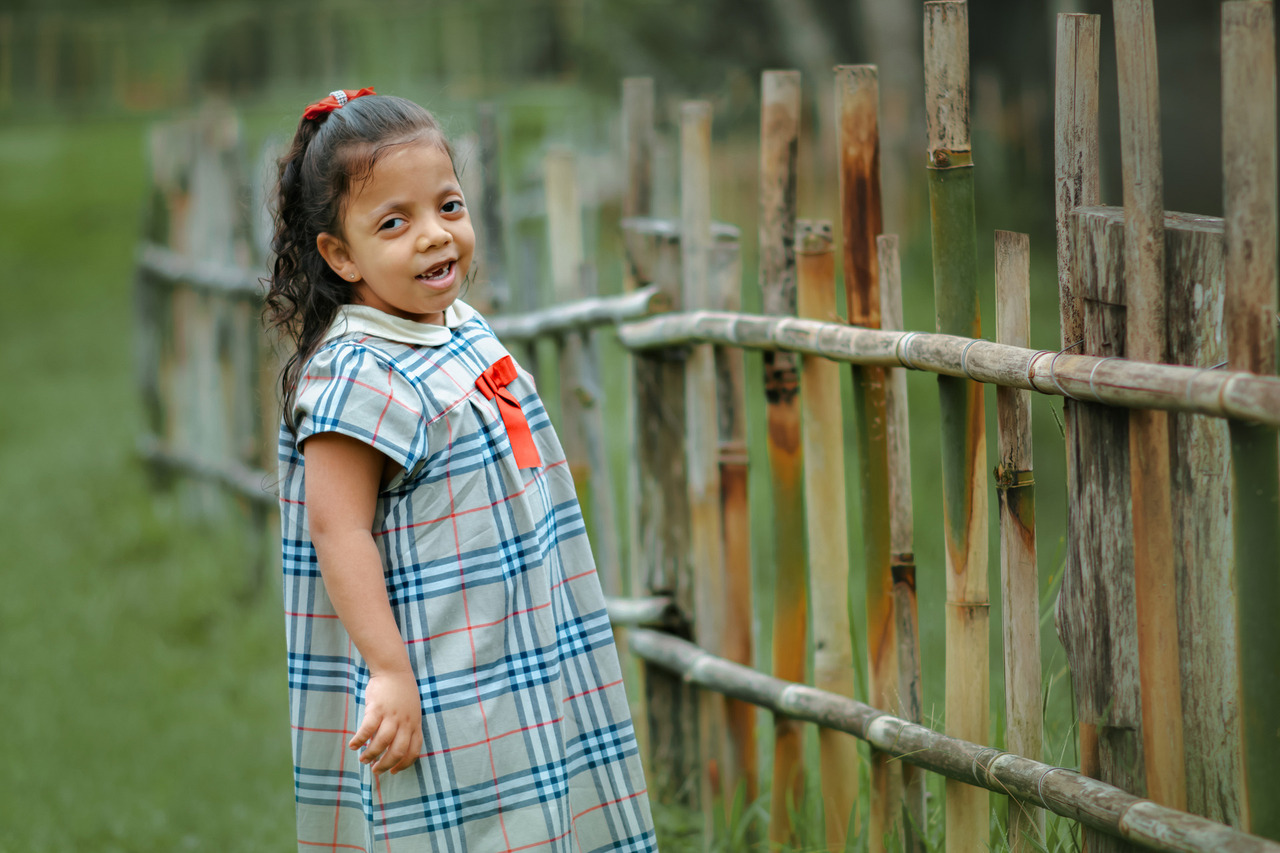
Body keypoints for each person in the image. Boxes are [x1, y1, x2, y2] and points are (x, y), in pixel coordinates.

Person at [265, 88, 657, 853]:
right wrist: (388, 672)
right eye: (394, 222)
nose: (434, 237)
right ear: (339, 254)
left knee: (553, 810)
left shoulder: (457, 329)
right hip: (444, 674)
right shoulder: (358, 370)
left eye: (448, 206)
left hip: (521, 652)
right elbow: (336, 529)